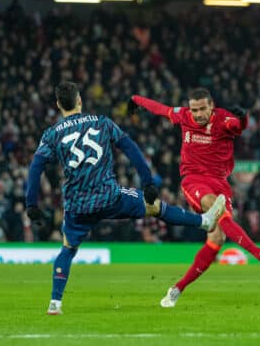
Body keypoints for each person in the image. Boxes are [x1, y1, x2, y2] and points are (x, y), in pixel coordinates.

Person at [25, 82, 226, 315]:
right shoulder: (102, 123)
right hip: (109, 196)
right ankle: (204, 221)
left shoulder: (52, 134)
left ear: (58, 104)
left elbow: (35, 167)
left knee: (68, 249)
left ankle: (55, 303)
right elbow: (130, 148)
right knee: (155, 207)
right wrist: (148, 181)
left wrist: (31, 204)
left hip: (77, 205)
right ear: (80, 100)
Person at [128, 87, 260, 308]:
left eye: (203, 108)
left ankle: (176, 289)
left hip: (220, 183)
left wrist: (243, 117)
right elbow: (160, 109)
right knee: (216, 208)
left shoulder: (223, 119)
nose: (198, 114)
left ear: (211, 105)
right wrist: (136, 99)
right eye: (194, 109)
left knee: (217, 240)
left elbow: (237, 126)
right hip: (193, 180)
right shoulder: (183, 115)